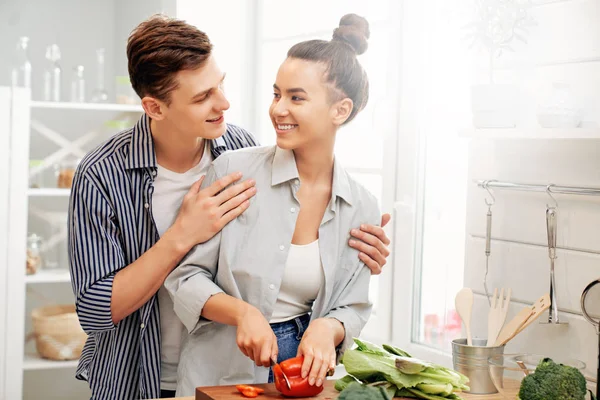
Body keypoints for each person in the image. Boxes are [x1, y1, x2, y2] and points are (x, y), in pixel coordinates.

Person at [67, 14, 391, 400]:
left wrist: (356, 250)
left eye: (219, 85)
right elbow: (94, 309)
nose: (224, 103)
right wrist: (182, 236)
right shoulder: (102, 173)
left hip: (244, 374)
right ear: (154, 107)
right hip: (136, 372)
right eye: (203, 97)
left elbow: (297, 267)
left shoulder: (239, 151)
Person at [165, 13, 381, 397]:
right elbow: (185, 278)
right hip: (219, 378)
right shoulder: (234, 172)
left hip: (303, 378)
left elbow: (354, 305)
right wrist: (242, 313)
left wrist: (327, 328)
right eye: (277, 93)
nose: (278, 108)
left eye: (296, 97)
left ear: (340, 110)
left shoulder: (360, 205)